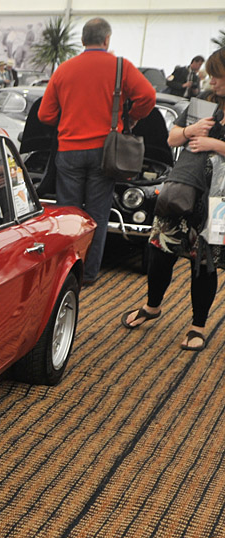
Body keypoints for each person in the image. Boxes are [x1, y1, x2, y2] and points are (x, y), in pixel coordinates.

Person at [37, 17, 156, 286]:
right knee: (97, 216)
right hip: (105, 152)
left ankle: (65, 274)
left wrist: (67, 119)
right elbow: (148, 96)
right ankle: (88, 275)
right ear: (107, 40)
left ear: (82, 41)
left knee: (69, 215)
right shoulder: (120, 66)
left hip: (69, 151)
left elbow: (45, 114)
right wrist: (133, 118)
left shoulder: (64, 69)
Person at [120, 48, 225, 351]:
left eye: (217, 74)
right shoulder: (203, 102)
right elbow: (172, 137)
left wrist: (215, 144)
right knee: (160, 251)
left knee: (203, 262)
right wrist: (190, 130)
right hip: (182, 188)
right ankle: (153, 306)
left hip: (216, 200)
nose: (212, 80)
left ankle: (198, 325)